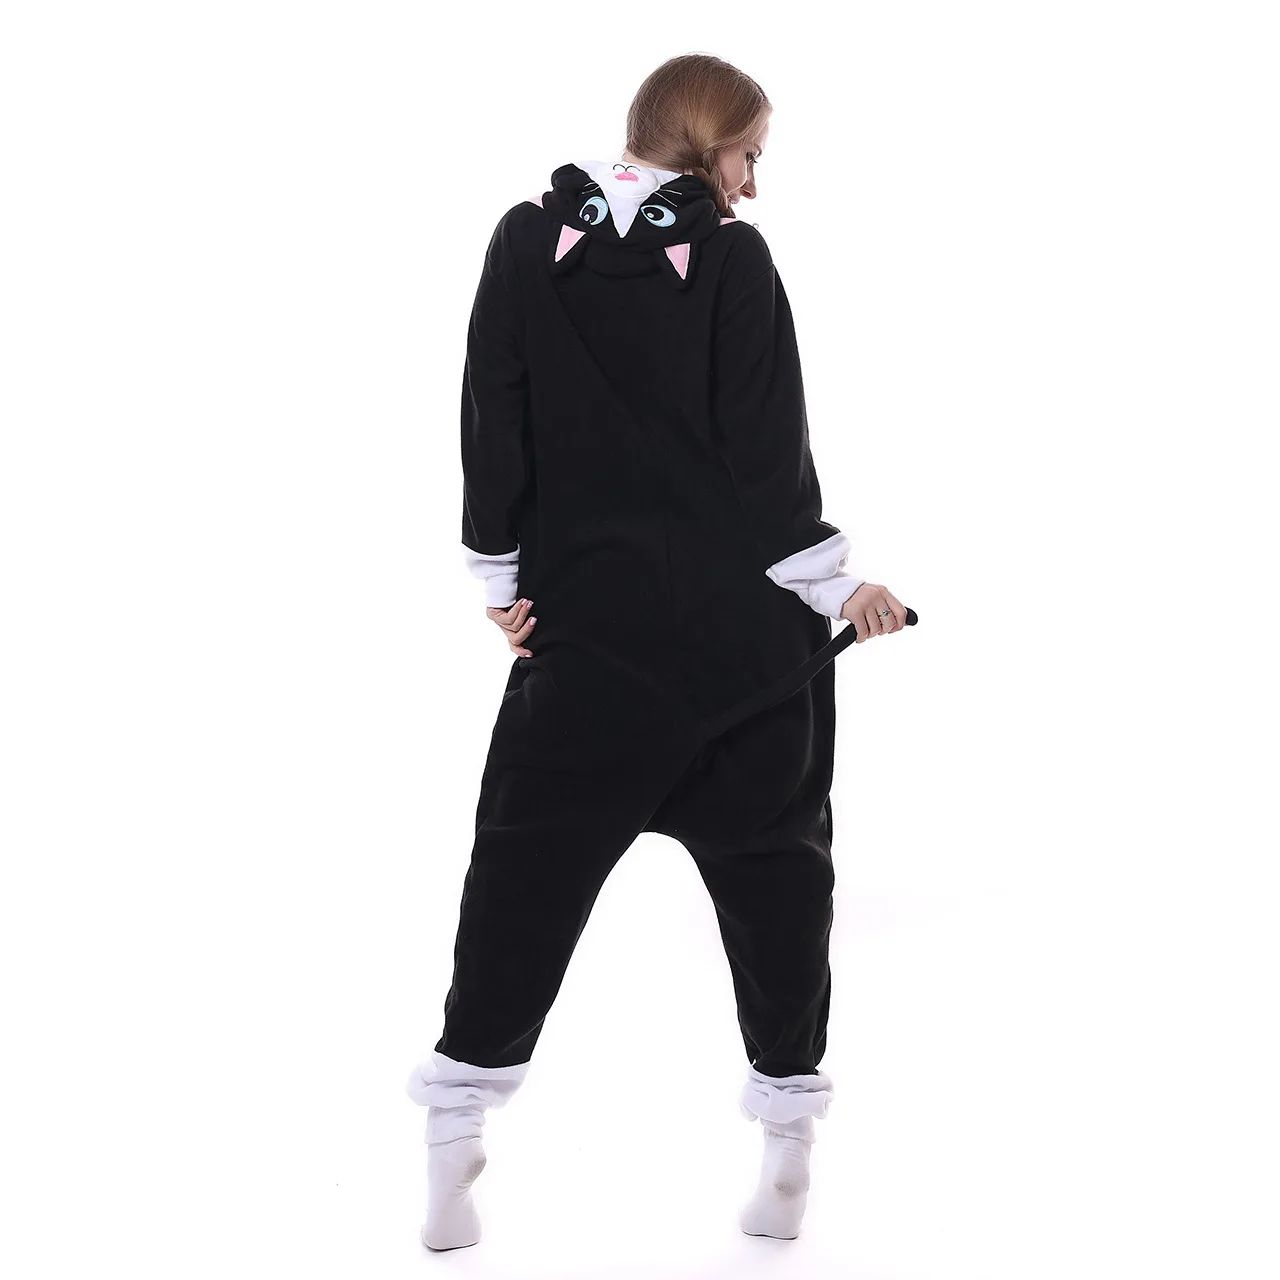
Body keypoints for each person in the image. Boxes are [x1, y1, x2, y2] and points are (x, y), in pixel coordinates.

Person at [405, 52, 911, 1251]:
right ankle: (785, 1145)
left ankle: (453, 1129)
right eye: (747, 156)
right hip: (740, 661)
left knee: (517, 884)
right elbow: (765, 454)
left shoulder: (525, 242)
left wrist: (500, 577)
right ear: (703, 141)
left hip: (586, 648)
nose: (752, 185)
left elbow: (491, 411)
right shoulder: (732, 261)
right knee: (779, 888)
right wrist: (842, 584)